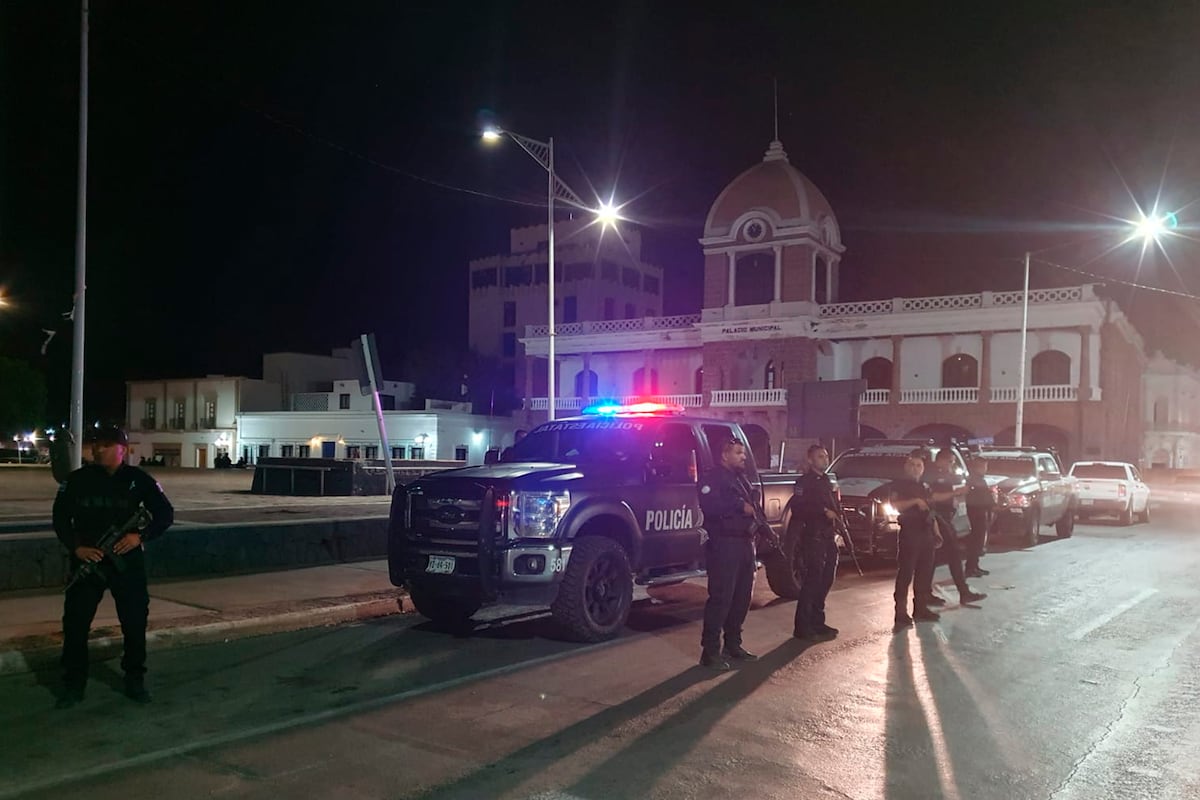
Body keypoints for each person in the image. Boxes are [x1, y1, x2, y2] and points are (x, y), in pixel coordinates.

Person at [53, 425, 174, 708]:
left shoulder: (138, 480)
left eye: (106, 445)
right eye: (96, 444)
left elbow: (164, 514)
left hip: (125, 563)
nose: (97, 449)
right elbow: (60, 519)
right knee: (75, 623)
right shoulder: (77, 481)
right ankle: (73, 684)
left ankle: (134, 679)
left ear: (123, 449)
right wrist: (77, 548)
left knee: (133, 623)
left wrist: (139, 536)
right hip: (89, 561)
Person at [698, 438, 760, 671]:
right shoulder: (712, 478)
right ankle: (710, 652)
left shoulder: (740, 479)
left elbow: (753, 507)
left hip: (744, 543)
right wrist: (737, 506)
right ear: (724, 455)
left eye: (743, 452)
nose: (743, 457)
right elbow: (710, 507)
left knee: (742, 598)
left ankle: (733, 645)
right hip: (723, 544)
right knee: (721, 598)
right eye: (738, 453)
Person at [888, 455, 944, 630]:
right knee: (905, 574)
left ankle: (920, 609)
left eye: (919, 465)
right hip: (910, 534)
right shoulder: (898, 484)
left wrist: (936, 532)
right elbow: (896, 506)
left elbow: (931, 511)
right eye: (912, 465)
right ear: (905, 466)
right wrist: (915, 501)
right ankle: (900, 612)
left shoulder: (925, 486)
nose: (915, 468)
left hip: (926, 533)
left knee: (924, 574)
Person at [924, 449, 986, 605]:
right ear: (942, 460)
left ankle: (925, 593)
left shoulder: (945, 475)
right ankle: (963, 592)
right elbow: (933, 497)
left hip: (946, 517)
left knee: (933, 558)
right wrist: (956, 493)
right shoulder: (933, 474)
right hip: (938, 517)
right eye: (950, 461)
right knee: (953, 554)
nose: (952, 465)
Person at [792, 444, 841, 641]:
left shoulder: (826, 482)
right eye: (820, 456)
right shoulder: (804, 482)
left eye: (826, 456)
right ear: (810, 460)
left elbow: (834, 506)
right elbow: (798, 510)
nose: (824, 459)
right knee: (812, 582)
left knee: (825, 580)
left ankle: (817, 622)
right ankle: (802, 627)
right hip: (813, 536)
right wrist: (822, 512)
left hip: (828, 536)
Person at [965, 456, 995, 577]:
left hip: (980, 513)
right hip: (976, 514)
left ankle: (974, 566)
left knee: (978, 541)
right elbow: (982, 498)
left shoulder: (979, 479)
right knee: (976, 541)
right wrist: (992, 506)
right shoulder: (975, 480)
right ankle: (970, 567)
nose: (985, 469)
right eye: (984, 467)